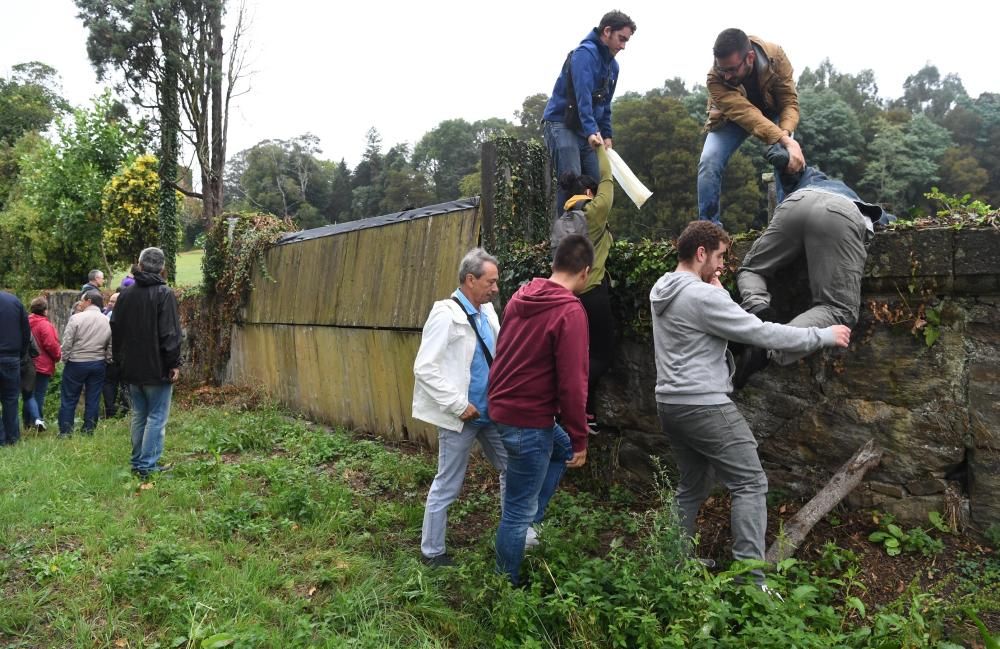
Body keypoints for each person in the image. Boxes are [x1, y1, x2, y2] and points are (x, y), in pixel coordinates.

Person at [649, 221, 850, 582]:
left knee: (692, 486)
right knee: (750, 483)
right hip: (704, 404)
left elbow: (712, 320)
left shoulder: (663, 289)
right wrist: (820, 334)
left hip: (670, 404)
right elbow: (758, 330)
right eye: (721, 256)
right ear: (701, 253)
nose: (724, 264)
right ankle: (750, 582)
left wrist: (719, 294)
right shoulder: (701, 296)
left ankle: (672, 563)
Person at [733, 144, 895, 384]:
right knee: (838, 308)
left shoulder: (812, 177)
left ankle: (757, 307)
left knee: (752, 268)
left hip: (797, 203)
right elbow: (887, 221)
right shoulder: (855, 198)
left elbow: (791, 166)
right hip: (839, 213)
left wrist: (783, 153)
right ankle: (768, 348)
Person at [489, 234, 593, 585]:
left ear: (554, 265)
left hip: (503, 408)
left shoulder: (521, 295)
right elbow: (573, 383)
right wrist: (580, 438)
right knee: (516, 511)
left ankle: (532, 518)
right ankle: (507, 585)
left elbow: (503, 349)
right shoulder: (569, 310)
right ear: (585, 272)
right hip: (527, 419)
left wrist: (570, 440)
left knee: (558, 449)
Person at [413, 248, 507, 568]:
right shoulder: (445, 314)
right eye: (490, 282)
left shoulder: (489, 312)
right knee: (448, 484)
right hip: (463, 417)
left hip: (492, 414)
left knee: (512, 469)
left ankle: (513, 534)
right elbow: (425, 368)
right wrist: (457, 404)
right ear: (470, 279)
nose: (496, 288)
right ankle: (432, 552)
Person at [698, 28, 803, 225]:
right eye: (723, 69)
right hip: (731, 116)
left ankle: (787, 225)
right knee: (708, 161)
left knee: (784, 157)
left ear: (750, 57)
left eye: (731, 69)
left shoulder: (775, 57)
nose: (727, 76)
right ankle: (708, 230)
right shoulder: (715, 78)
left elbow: (789, 101)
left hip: (772, 111)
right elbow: (747, 115)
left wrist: (786, 135)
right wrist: (782, 138)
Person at [542, 10, 635, 210]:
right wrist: (592, 131)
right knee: (572, 184)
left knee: (594, 185)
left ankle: (588, 238)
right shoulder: (585, 54)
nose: (623, 46)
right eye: (621, 39)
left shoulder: (613, 67)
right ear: (607, 31)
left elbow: (605, 104)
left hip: (586, 128)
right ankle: (566, 238)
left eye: (626, 41)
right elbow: (582, 96)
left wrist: (607, 134)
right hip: (562, 123)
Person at [557, 142, 615, 432]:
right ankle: (566, 402)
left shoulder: (563, 219)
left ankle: (586, 414)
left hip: (566, 299)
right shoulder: (594, 211)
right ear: (589, 193)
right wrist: (600, 149)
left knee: (581, 356)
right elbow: (608, 178)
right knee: (603, 354)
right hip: (593, 294)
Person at [111, 247, 182, 479]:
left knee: (139, 415)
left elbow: (116, 331)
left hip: (131, 367)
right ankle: (147, 466)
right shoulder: (164, 293)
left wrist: (120, 362)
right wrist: (174, 363)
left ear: (139, 265)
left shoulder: (125, 295)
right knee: (156, 417)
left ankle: (138, 461)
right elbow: (170, 333)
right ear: (162, 268)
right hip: (156, 367)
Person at [58, 291, 111, 437]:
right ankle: (89, 430)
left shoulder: (76, 318)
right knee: (93, 398)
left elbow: (68, 342)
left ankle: (66, 431)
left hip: (76, 362)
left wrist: (65, 359)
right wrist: (107, 358)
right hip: (98, 362)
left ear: (88, 301)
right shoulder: (106, 320)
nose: (80, 303)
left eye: (81, 300)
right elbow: (111, 344)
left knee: (69, 398)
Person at [26, 296, 61, 431]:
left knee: (28, 394)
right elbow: (51, 344)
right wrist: (57, 356)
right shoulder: (45, 324)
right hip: (42, 364)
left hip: (27, 363)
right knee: (39, 394)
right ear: (45, 311)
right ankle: (37, 421)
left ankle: (27, 422)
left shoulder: (26, 322)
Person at [0, 291, 30, 445]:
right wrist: (21, 353)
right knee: (11, 399)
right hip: (11, 357)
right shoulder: (14, 301)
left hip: (11, 355)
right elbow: (26, 331)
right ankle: (12, 438)